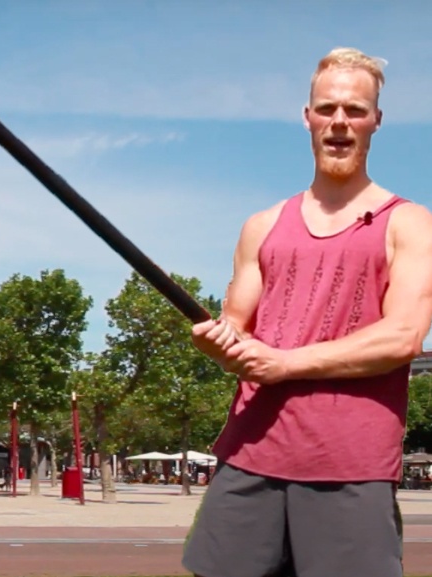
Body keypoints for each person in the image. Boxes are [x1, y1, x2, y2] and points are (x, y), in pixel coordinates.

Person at [182, 47, 432, 577]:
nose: (340, 122)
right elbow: (237, 326)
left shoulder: (410, 224)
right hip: (249, 454)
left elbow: (403, 338)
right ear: (308, 117)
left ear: (375, 122)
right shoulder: (262, 224)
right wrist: (219, 342)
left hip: (350, 465)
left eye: (355, 111)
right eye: (327, 108)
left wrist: (284, 364)